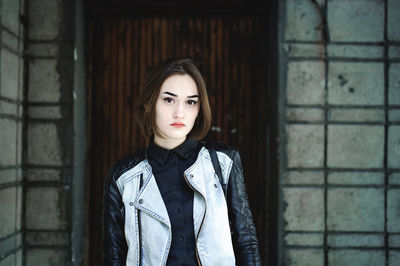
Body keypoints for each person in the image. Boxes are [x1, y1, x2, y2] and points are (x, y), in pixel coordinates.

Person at [102, 58, 262, 266]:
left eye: (190, 102)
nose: (180, 112)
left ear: (198, 110)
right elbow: (113, 258)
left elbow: (246, 242)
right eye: (169, 100)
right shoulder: (123, 177)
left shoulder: (223, 163)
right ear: (150, 104)